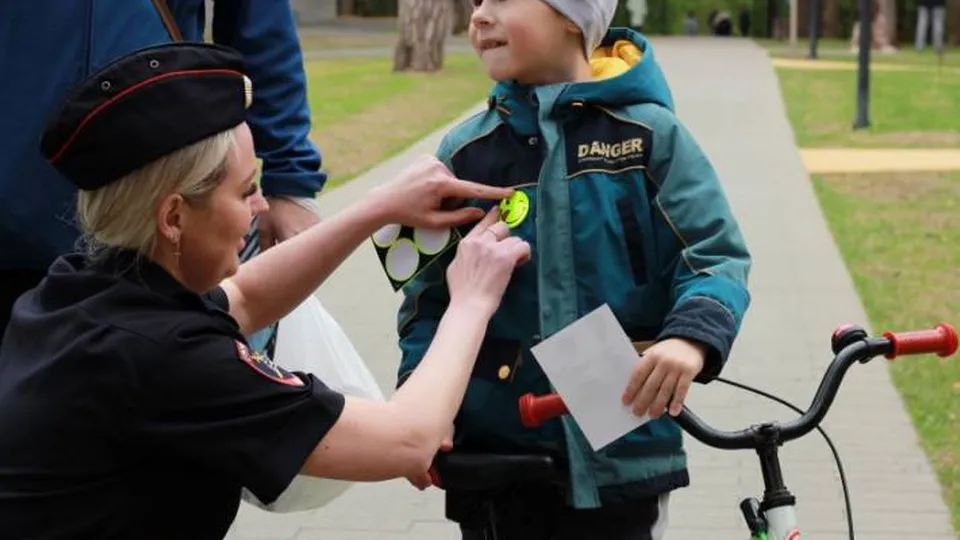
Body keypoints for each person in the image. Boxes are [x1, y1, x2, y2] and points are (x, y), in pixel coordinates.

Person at [0, 43, 531, 539]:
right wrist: (471, 298)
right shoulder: (165, 358)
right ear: (174, 216)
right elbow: (408, 440)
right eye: (247, 190)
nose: (260, 209)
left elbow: (245, 299)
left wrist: (379, 207)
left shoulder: (84, 289)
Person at [394, 0, 752, 538]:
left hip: (620, 453)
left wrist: (689, 339)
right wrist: (421, 403)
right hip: (493, 454)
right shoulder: (462, 155)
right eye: (474, 2)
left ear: (571, 16)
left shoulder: (651, 137)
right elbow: (425, 298)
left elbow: (713, 254)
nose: (479, 16)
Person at [0, 1, 321, 354]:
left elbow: (259, 17)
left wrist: (290, 178)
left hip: (158, 212)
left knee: (171, 378)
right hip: (15, 222)